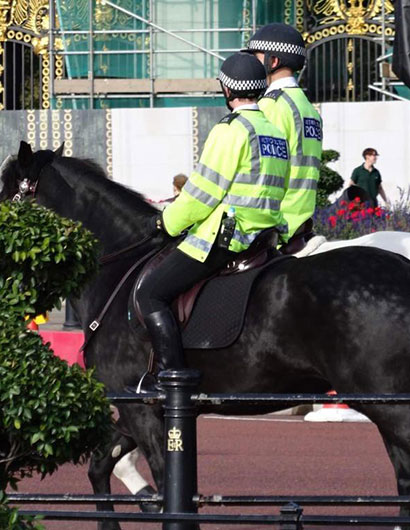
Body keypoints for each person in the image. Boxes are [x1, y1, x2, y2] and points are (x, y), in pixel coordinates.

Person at [129, 52, 290, 393]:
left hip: (225, 239)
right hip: (264, 238)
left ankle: (170, 379)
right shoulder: (274, 132)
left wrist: (165, 224)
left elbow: (202, 193)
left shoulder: (230, 130)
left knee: (151, 293)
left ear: (228, 90)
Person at [244, 23, 322, 244]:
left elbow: (261, 174)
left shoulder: (271, 106)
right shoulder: (307, 108)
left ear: (274, 61)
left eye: (255, 58)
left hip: (273, 229)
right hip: (300, 224)